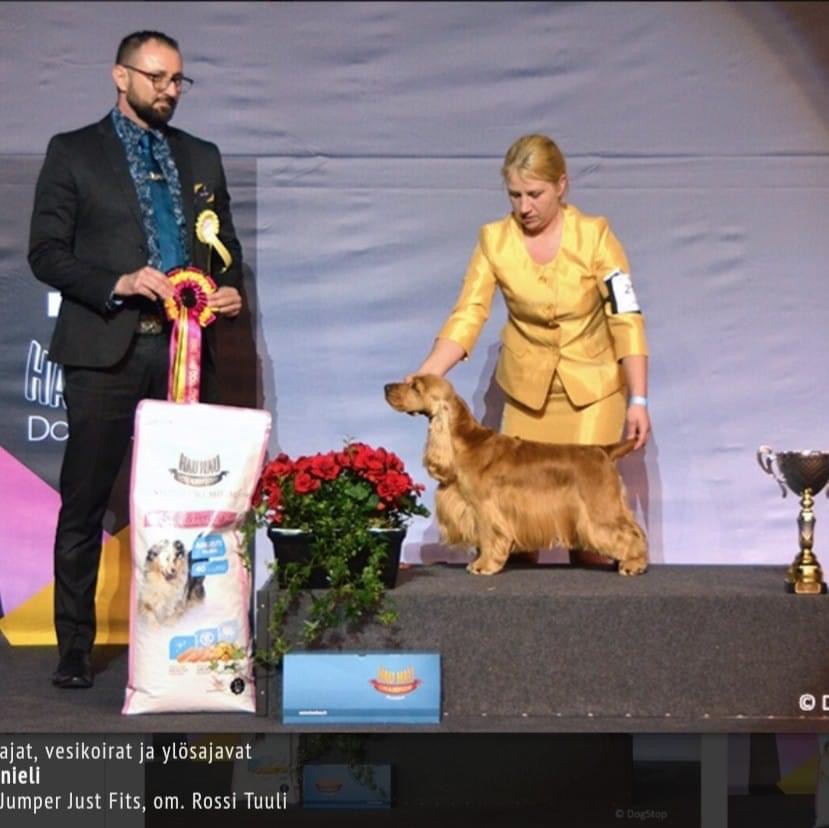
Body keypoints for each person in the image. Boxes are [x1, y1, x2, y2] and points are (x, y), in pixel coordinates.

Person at [28, 31, 243, 689]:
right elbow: (45, 253)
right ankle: (73, 648)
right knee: (85, 501)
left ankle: (182, 641)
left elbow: (225, 246)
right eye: (156, 78)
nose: (168, 90)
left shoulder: (202, 156)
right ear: (120, 77)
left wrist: (228, 287)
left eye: (177, 80)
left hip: (185, 351)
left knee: (187, 504)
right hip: (105, 351)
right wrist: (117, 282)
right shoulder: (73, 152)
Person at [409, 133, 650, 564]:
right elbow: (468, 314)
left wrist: (639, 398)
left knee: (589, 545)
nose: (524, 207)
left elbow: (626, 317)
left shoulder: (596, 236)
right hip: (526, 396)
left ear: (561, 185)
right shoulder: (494, 240)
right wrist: (428, 374)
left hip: (592, 393)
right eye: (515, 195)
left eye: (535, 194)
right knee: (516, 543)